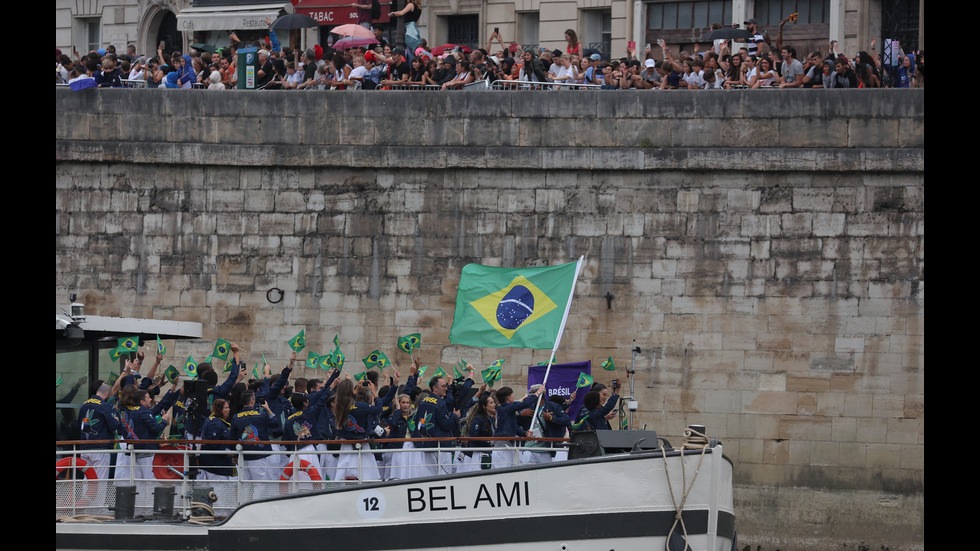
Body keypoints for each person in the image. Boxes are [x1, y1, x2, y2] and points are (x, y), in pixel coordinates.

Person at [230, 389, 281, 500]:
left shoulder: (235, 417)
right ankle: (253, 506)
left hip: (242, 455)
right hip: (257, 455)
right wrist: (268, 409)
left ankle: (241, 506)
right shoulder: (260, 415)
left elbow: (232, 438)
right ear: (253, 400)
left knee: (244, 484)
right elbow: (276, 423)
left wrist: (234, 455)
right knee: (260, 483)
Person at [333, 378, 383, 480]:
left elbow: (347, 401)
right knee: (367, 473)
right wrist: (374, 393)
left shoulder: (338, 406)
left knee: (343, 472)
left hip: (345, 443)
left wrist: (356, 391)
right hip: (362, 442)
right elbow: (378, 409)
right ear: (352, 390)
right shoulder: (361, 406)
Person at [409, 374, 460, 476]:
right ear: (434, 388)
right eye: (443, 386)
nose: (446, 388)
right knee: (445, 475)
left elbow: (418, 421)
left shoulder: (423, 401)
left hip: (426, 445)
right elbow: (446, 424)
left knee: (429, 475)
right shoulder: (440, 403)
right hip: (440, 446)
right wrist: (455, 416)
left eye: (446, 386)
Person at [492, 385, 544, 469]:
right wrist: (538, 393)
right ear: (509, 398)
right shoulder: (505, 408)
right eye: (513, 395)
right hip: (502, 447)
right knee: (503, 472)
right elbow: (524, 404)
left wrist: (525, 433)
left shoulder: (506, 410)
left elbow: (514, 426)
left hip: (509, 445)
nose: (514, 396)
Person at [77, 382, 121, 481]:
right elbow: (113, 426)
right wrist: (116, 420)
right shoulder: (104, 406)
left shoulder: (84, 405)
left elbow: (78, 424)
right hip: (100, 448)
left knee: (87, 479)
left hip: (84, 448)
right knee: (100, 480)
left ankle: (85, 497)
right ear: (106, 393)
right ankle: (98, 497)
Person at [521, 384, 570, 465]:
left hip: (545, 449)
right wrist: (521, 415)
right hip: (529, 448)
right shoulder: (529, 407)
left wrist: (551, 418)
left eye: (531, 395)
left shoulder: (553, 407)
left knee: (546, 474)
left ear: (539, 395)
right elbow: (517, 422)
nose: (529, 397)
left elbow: (566, 420)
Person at [197, 398, 235, 480]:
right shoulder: (214, 423)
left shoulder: (213, 421)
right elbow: (213, 443)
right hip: (216, 467)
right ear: (219, 409)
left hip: (215, 465)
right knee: (219, 491)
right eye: (226, 408)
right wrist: (228, 452)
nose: (229, 410)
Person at [457, 391, 495, 472]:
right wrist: (488, 441)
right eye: (491, 403)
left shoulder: (489, 420)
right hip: (476, 455)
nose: (494, 404)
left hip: (485, 453)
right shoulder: (478, 419)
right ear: (484, 406)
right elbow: (474, 437)